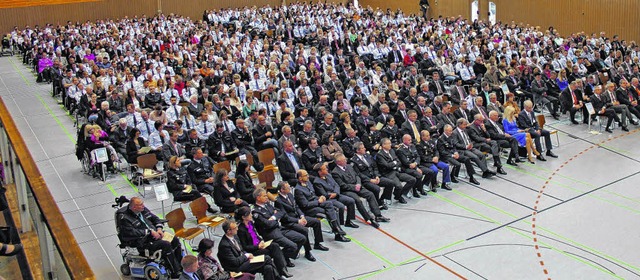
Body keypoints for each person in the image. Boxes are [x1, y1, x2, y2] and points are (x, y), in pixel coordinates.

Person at [116, 197, 183, 278]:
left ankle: (179, 264)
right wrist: (149, 232)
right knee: (166, 245)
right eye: (140, 205)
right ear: (134, 207)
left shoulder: (143, 210)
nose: (143, 206)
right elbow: (130, 233)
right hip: (142, 242)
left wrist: (159, 229)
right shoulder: (125, 219)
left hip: (156, 235)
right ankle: (175, 271)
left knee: (175, 239)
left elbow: (155, 218)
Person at [251, 188, 306, 267]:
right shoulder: (255, 211)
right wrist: (276, 218)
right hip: (270, 233)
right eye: (264, 196)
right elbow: (267, 224)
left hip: (279, 228)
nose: (267, 197)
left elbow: (281, 212)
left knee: (301, 238)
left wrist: (273, 218)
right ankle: (282, 259)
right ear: (258, 198)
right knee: (293, 246)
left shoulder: (267, 204)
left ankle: (283, 257)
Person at [331, 154, 389, 227]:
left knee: (370, 194)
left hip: (357, 186)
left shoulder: (349, 166)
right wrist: (354, 187)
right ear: (338, 162)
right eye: (344, 160)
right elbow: (342, 185)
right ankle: (369, 219)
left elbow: (357, 176)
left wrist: (358, 183)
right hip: (347, 190)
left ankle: (378, 215)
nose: (346, 160)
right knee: (358, 200)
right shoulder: (335, 172)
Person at [234, 206, 292, 278]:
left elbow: (256, 235)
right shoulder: (241, 230)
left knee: (275, 246)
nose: (251, 215)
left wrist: (261, 241)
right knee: (271, 253)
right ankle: (278, 275)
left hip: (259, 244)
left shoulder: (250, 223)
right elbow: (245, 247)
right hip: (253, 250)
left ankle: (282, 269)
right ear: (243, 217)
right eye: (249, 214)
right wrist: (257, 246)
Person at [294, 169, 350, 242]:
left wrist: (320, 197)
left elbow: (313, 195)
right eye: (306, 175)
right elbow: (305, 205)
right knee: (330, 209)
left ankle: (337, 231)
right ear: (300, 178)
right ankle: (337, 231)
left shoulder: (308, 183)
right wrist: (318, 201)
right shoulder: (298, 190)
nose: (308, 176)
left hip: (315, 204)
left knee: (332, 208)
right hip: (308, 210)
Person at [217, 221, 281, 280]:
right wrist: (246, 256)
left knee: (268, 267)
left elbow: (242, 250)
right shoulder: (224, 245)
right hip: (236, 268)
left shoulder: (235, 236)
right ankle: (278, 277)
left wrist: (247, 256)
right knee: (266, 258)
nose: (237, 229)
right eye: (235, 228)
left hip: (243, 261)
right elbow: (235, 262)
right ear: (229, 231)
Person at [375, 138, 415, 204]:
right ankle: (399, 196)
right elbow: (387, 166)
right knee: (399, 186)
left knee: (412, 179)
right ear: (383, 145)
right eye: (389, 143)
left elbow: (399, 162)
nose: (390, 145)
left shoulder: (392, 151)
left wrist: (394, 163)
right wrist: (394, 163)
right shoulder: (380, 155)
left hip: (397, 170)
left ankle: (399, 194)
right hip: (388, 173)